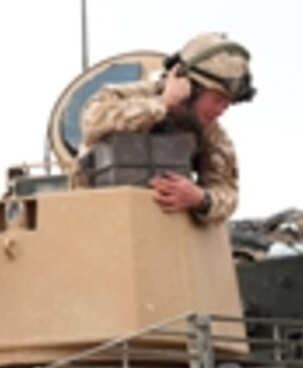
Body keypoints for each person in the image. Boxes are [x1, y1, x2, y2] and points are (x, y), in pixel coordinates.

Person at [79, 32, 254, 225]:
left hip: (165, 234)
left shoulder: (211, 133)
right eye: (217, 99)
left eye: (227, 104)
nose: (221, 111)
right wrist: (163, 104)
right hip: (100, 223)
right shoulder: (129, 96)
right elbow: (92, 120)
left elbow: (227, 192)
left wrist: (200, 199)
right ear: (189, 86)